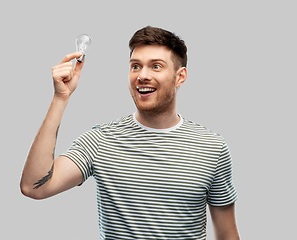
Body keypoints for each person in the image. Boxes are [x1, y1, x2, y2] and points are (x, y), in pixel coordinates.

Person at [21, 26, 240, 240]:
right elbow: (34, 187)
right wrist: (61, 98)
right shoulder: (101, 140)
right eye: (135, 66)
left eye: (156, 66)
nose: (142, 75)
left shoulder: (212, 147)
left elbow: (227, 234)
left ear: (180, 77)